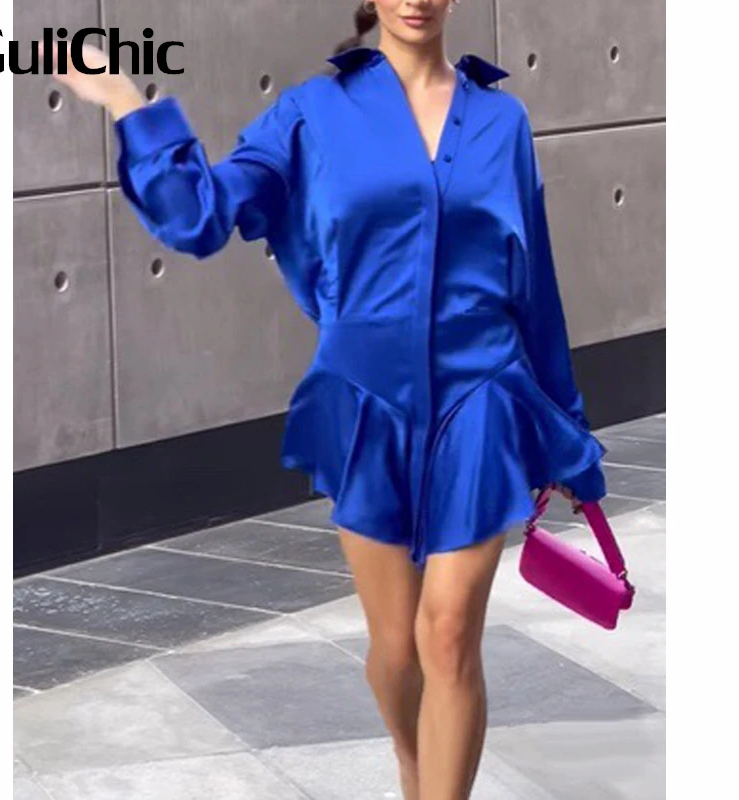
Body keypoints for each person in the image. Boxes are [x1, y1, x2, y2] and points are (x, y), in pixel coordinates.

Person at [43, 1, 608, 797]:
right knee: (396, 653)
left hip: (483, 394)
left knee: (449, 635)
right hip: (366, 401)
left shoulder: (501, 120)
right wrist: (126, 102)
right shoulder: (311, 114)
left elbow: (534, 281)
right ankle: (414, 767)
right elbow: (199, 216)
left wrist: (569, 435)